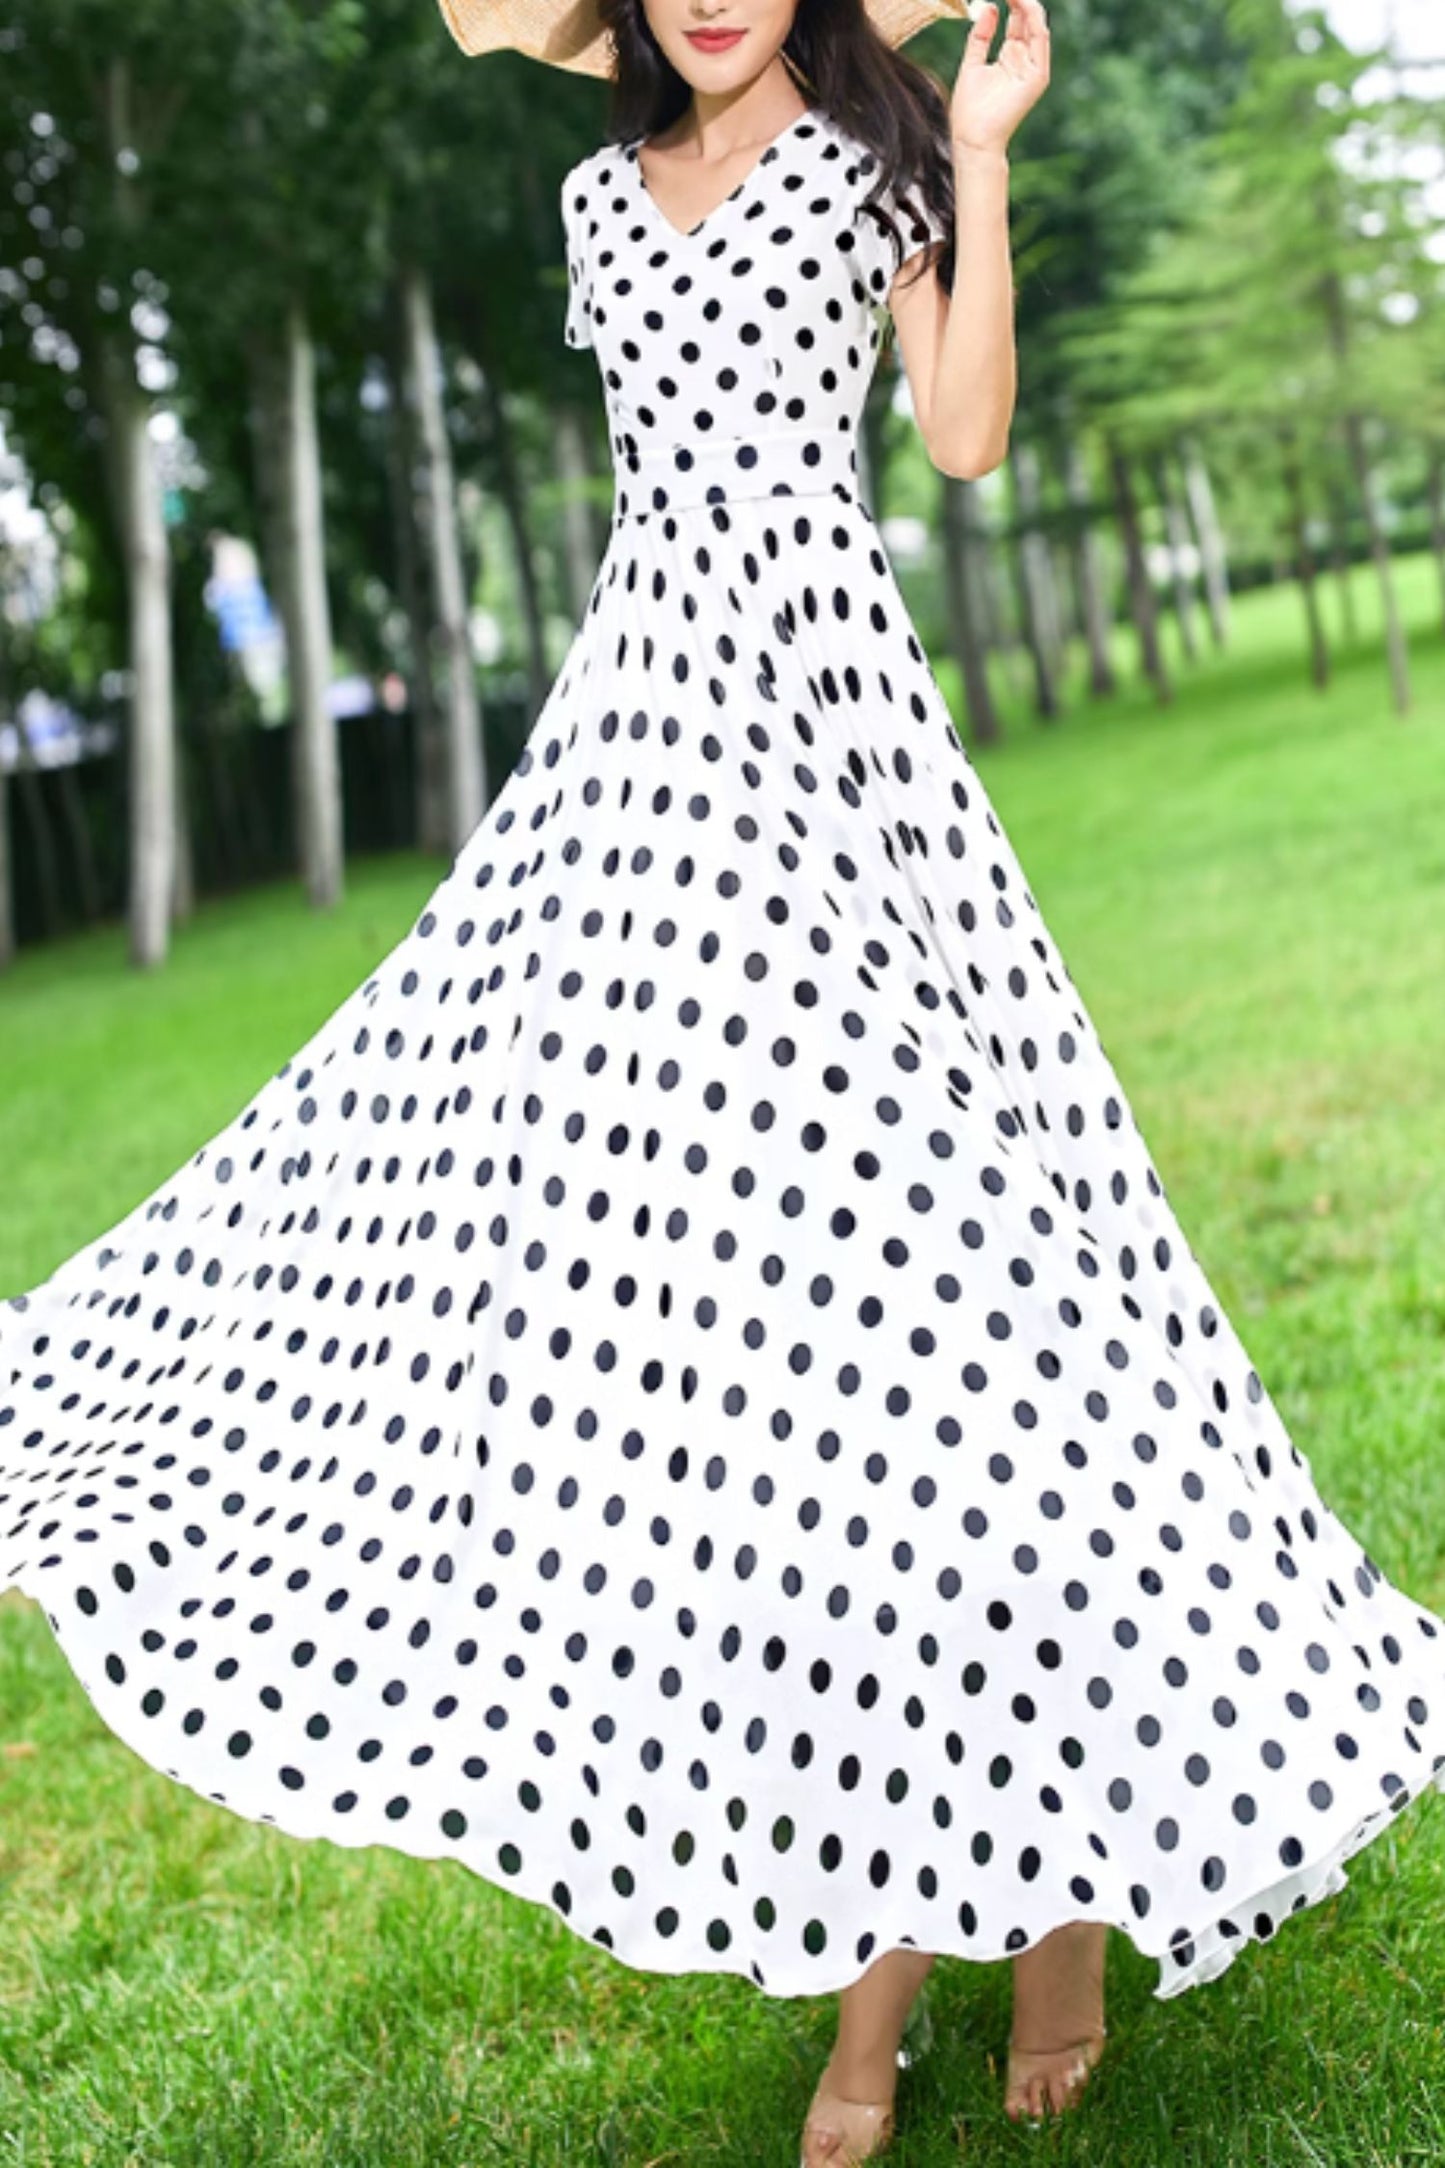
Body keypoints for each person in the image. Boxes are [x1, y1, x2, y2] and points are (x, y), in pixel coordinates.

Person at [5, 0, 1445, 2160]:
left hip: (845, 781)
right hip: (649, 796)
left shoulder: (877, 166)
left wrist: (980, 151)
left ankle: (1035, 1924)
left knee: (958, 1339)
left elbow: (961, 435)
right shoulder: (599, 201)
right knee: (769, 1391)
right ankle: (915, 1920)